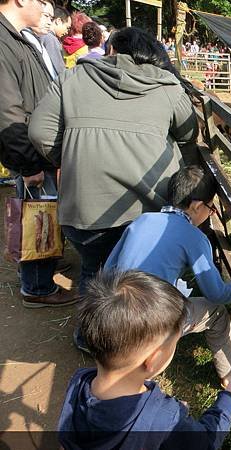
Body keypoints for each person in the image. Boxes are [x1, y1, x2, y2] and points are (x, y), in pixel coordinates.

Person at [29, 26, 199, 295]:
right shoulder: (168, 86)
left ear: (111, 50)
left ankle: (90, 335)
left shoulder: (72, 78)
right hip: (147, 208)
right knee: (139, 282)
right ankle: (135, 333)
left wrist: (73, 156)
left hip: (84, 209)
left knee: (93, 272)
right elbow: (189, 131)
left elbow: (40, 132)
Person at [58, 270, 231, 450]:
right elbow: (206, 441)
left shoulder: (79, 382)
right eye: (174, 343)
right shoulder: (164, 421)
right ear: (153, 359)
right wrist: (230, 396)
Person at [105, 166, 231, 382]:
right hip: (149, 326)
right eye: (211, 208)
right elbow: (215, 293)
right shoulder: (194, 236)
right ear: (196, 205)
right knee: (217, 313)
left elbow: (109, 269)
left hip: (114, 315)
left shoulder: (142, 220)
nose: (210, 213)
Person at [0, 0, 77, 307]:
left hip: (36, 147)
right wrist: (28, 162)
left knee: (44, 215)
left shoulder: (18, 36)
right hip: (31, 153)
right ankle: (37, 287)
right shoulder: (5, 40)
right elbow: (8, 112)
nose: (46, 11)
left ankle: (40, 268)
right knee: (38, 217)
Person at [21, 0, 56, 79]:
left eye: (51, 18)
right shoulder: (22, 38)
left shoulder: (36, 40)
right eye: (46, 16)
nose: (49, 23)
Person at [40, 5, 69, 76]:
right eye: (67, 27)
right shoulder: (50, 39)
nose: (67, 32)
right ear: (58, 21)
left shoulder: (42, 35)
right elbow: (60, 70)